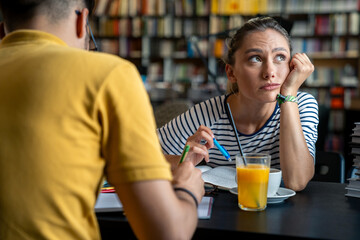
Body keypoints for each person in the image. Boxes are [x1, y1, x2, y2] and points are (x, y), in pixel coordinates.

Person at [0, 0, 204, 239]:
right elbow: (169, 233)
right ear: (82, 22)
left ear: (3, 29)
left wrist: (165, 162)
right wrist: (187, 189)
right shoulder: (108, 75)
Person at [157, 17, 319, 192]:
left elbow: (296, 181)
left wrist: (288, 97)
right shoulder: (208, 113)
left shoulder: (301, 104)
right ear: (231, 72)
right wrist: (183, 162)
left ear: (291, 66)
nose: (270, 72)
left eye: (280, 57)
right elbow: (138, 154)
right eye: (255, 59)